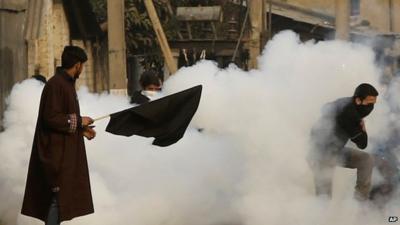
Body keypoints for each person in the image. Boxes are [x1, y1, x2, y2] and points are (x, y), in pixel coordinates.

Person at [21, 46, 96, 225]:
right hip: (55, 154)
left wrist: (81, 130)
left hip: (64, 152)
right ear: (77, 65)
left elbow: (63, 118)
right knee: (57, 198)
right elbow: (51, 118)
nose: (82, 69)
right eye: (82, 66)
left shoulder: (66, 84)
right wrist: (79, 121)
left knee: (60, 198)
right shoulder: (56, 84)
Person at [308, 83, 378, 201]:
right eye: (369, 103)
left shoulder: (346, 102)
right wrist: (363, 129)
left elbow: (325, 107)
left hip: (335, 151)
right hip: (321, 155)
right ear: (358, 100)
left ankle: (359, 203)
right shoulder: (349, 115)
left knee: (366, 160)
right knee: (323, 199)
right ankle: (319, 217)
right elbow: (362, 143)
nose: (371, 107)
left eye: (374, 103)